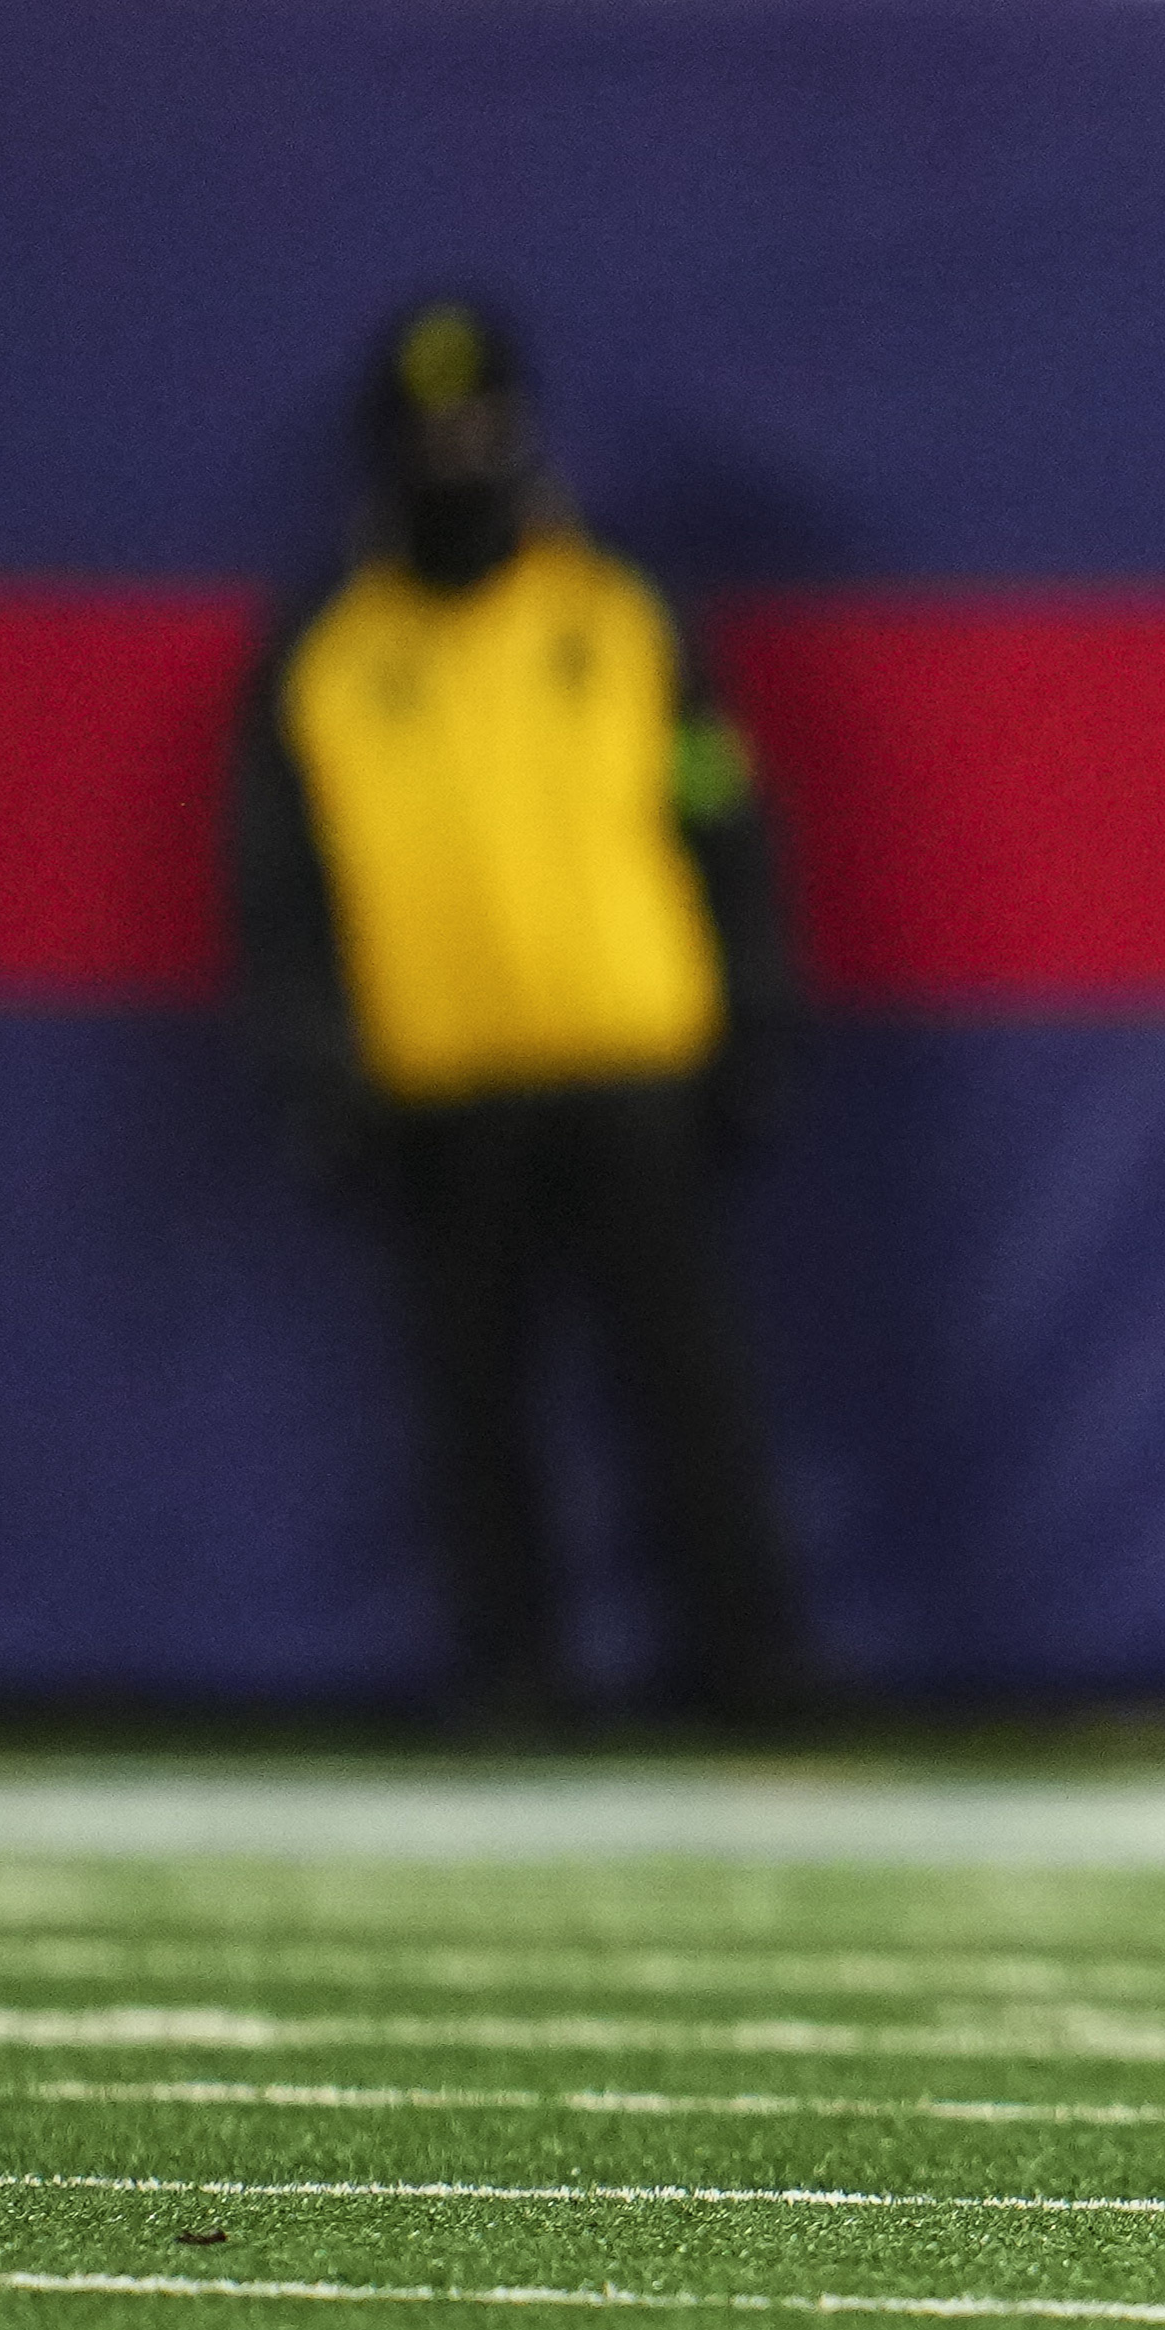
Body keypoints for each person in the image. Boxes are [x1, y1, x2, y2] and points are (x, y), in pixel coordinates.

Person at [224, 298, 813, 1724]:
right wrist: (321, 1075)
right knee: (472, 1411)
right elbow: (280, 892)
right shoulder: (328, 657)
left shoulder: (618, 615)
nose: (459, 456)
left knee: (689, 1394)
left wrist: (753, 1027)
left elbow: (721, 822)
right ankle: (513, 1675)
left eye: (483, 427)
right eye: (431, 434)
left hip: (631, 1066)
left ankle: (752, 1668)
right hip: (442, 1086)